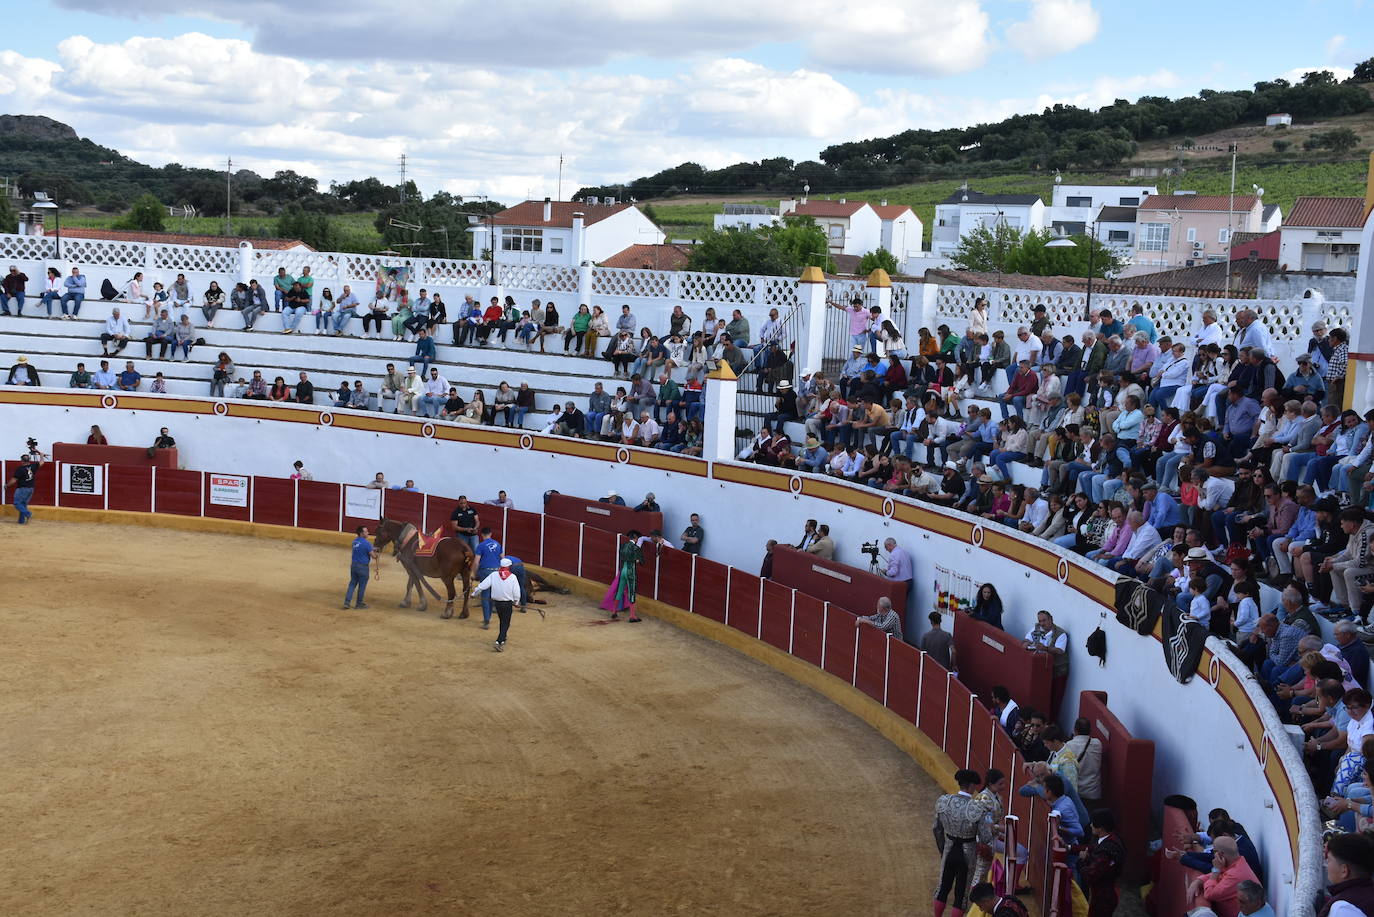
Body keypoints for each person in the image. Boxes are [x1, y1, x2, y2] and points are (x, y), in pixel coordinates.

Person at [933, 769, 992, 917]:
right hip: (968, 852)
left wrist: (942, 849)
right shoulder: (977, 807)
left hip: (949, 848)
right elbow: (985, 837)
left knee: (942, 888)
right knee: (961, 895)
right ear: (971, 786)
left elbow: (936, 829)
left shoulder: (944, 801)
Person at [1187, 835, 1260, 917]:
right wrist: (1198, 881)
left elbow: (1209, 894)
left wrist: (1215, 871)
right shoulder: (1237, 863)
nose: (1212, 854)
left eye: (1214, 851)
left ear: (1220, 854)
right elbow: (1221, 874)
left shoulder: (1235, 875)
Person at [1078, 809, 1125, 917]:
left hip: (1102, 898)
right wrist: (1069, 847)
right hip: (1107, 892)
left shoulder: (1106, 851)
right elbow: (1092, 848)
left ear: (1100, 828)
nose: (1090, 826)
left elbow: (1090, 876)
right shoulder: (1113, 839)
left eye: (1093, 824)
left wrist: (1082, 861)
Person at [471, 558, 524, 651]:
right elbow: (516, 591)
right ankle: (499, 641)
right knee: (505, 622)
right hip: (507, 603)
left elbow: (482, 586)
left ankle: (503, 638)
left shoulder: (494, 575)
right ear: (509, 567)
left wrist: (474, 594)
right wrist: (516, 601)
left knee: (502, 620)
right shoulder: (512, 577)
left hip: (497, 603)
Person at [1023, 610, 1070, 712]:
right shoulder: (1036, 628)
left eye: (1044, 620)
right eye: (1040, 621)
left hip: (1057, 671)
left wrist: (1046, 648)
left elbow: (1060, 650)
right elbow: (1026, 640)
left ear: (1051, 619)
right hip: (1041, 669)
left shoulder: (1061, 634)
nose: (1042, 623)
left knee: (1054, 698)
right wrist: (1026, 643)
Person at [601, 532, 644, 621]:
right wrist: (637, 559)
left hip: (623, 570)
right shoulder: (636, 548)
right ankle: (632, 616)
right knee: (631, 593)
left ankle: (614, 611)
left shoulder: (623, 545)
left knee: (619, 590)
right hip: (630, 571)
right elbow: (641, 562)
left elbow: (622, 555)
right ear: (635, 538)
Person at [472, 527, 504, 628]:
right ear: (491, 533)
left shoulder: (480, 546)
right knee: (493, 594)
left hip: (485, 571)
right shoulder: (498, 544)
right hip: (496, 571)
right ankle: (489, 616)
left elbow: (476, 561)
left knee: (485, 595)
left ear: (482, 535)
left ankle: (486, 620)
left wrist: (474, 573)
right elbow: (503, 558)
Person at [342, 526, 377, 609]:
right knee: (362, 586)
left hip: (354, 565)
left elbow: (362, 548)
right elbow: (373, 556)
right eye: (366, 531)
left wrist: (372, 549)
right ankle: (359, 604)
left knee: (352, 584)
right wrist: (377, 554)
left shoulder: (354, 541)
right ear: (361, 533)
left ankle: (347, 602)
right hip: (363, 567)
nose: (368, 533)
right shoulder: (367, 543)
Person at [6, 450, 41, 524]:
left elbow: (14, 480)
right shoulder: (33, 466)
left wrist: (7, 485)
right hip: (31, 489)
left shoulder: (20, 469)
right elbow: (42, 462)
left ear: (22, 461)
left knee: (17, 504)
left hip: (22, 489)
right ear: (29, 460)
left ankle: (28, 514)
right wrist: (40, 453)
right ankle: (21, 521)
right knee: (23, 505)